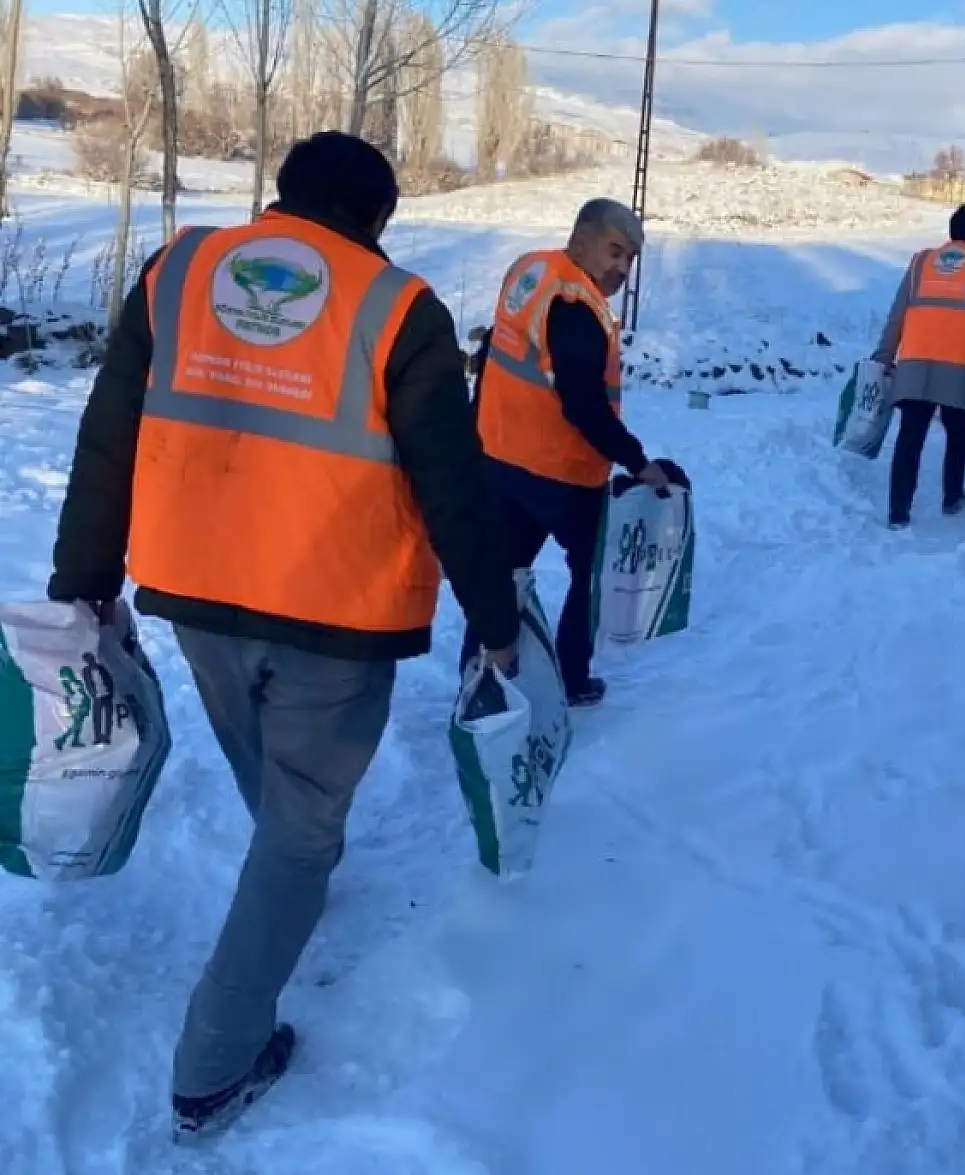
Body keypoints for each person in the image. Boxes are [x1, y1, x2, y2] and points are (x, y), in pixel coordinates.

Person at [45, 130, 522, 1141]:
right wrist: (494, 619)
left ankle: (291, 875)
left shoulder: (178, 273)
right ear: (378, 217)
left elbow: (108, 433)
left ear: (284, 194)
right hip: (336, 612)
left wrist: (83, 582)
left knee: (272, 778)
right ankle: (215, 1063)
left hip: (195, 591)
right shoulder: (399, 308)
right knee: (303, 828)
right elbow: (452, 481)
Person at [465, 197, 675, 708]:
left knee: (502, 575)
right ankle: (573, 680)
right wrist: (637, 461)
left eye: (630, 259)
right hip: (561, 475)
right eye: (615, 252)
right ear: (582, 239)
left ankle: (480, 677)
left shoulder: (532, 271)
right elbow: (583, 404)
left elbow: (496, 351)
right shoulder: (578, 307)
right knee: (588, 574)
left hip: (501, 459)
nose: (622, 268)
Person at [872, 203, 965, 530]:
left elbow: (898, 313)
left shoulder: (921, 262)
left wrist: (884, 355)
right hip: (962, 366)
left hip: (915, 364)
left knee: (909, 438)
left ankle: (898, 513)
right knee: (959, 436)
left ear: (951, 230)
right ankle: (952, 497)